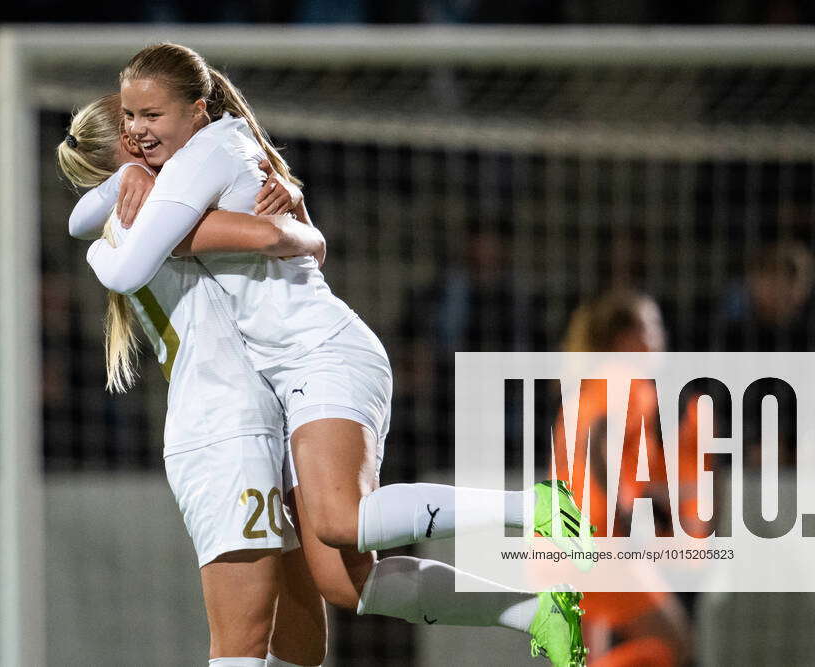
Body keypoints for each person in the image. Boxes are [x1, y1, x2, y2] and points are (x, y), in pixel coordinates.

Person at [85, 42, 592, 666]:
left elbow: (233, 241)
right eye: (130, 126)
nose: (139, 136)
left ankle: (537, 506)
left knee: (330, 539)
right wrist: (125, 184)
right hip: (262, 400)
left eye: (150, 119)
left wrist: (118, 226)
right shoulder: (175, 180)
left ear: (196, 109)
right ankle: (529, 608)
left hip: (312, 362)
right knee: (343, 581)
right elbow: (259, 233)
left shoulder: (202, 163)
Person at [57, 93, 329, 667]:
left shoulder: (149, 211)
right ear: (132, 152)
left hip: (257, 419)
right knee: (243, 643)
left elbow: (80, 217)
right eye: (139, 130)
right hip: (223, 429)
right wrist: (302, 224)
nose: (155, 133)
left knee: (302, 634)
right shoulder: (150, 220)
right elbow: (269, 236)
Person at [558, 290, 692, 667]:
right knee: (674, 643)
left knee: (581, 659)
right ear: (623, 338)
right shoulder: (628, 382)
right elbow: (600, 445)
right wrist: (624, 514)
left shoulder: (587, 386)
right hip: (602, 541)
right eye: (650, 326)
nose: (659, 336)